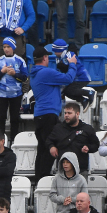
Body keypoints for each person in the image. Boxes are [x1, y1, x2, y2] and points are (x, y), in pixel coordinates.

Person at [30, 46, 78, 180]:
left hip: (39, 115)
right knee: (50, 147)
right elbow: (68, 78)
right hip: (48, 115)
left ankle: (39, 177)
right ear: (45, 58)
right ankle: (44, 177)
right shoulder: (46, 73)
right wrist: (72, 64)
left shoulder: (35, 73)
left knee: (42, 149)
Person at [0, 36, 29, 143]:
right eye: (4, 47)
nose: (6, 49)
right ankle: (0, 140)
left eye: (8, 47)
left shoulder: (20, 60)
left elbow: (24, 77)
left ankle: (14, 141)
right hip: (1, 94)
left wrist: (14, 74)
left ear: (13, 47)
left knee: (14, 119)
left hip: (16, 94)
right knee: (1, 118)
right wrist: (2, 72)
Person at [47, 101, 100, 175]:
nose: (66, 115)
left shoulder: (87, 129)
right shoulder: (58, 128)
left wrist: (88, 148)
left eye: (69, 113)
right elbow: (49, 140)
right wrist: (51, 147)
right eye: (65, 113)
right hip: (62, 169)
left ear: (77, 114)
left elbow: (96, 145)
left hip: (81, 169)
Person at [52, 39, 95, 110]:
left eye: (56, 51)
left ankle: (89, 93)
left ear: (60, 50)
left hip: (81, 77)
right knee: (66, 92)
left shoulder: (70, 55)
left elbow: (69, 66)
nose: (55, 53)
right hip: (73, 78)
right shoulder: (58, 58)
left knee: (70, 90)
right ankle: (83, 100)